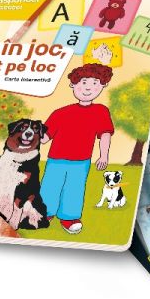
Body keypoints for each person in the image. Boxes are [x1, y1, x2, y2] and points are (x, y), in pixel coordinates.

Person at [39, 63, 114, 234]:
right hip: (56, 159)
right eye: (83, 82)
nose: (88, 88)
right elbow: (44, 138)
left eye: (95, 83)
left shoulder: (101, 111)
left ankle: (69, 218)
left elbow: (105, 134)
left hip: (81, 161)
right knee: (50, 186)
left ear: (103, 85)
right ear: (73, 84)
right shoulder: (60, 113)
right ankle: (43, 213)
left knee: (75, 188)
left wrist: (104, 155)